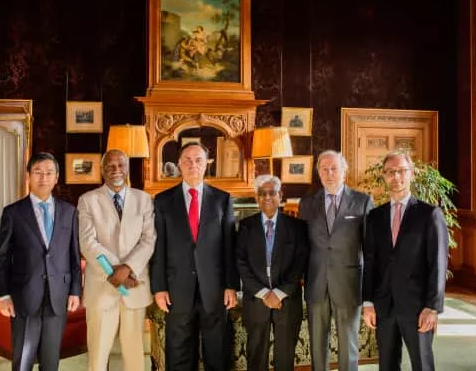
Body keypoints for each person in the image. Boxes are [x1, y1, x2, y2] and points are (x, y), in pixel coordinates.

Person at [150, 142, 239, 371]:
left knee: (217, 355)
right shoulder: (162, 201)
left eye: (198, 160)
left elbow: (229, 247)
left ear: (206, 164)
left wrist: (231, 285)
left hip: (215, 290)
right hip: (177, 290)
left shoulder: (222, 199)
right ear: (179, 164)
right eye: (187, 160)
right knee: (179, 356)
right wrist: (159, 288)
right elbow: (158, 248)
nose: (193, 165)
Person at [0, 152, 82, 371]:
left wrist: (75, 291)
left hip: (58, 296)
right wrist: (4, 295)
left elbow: (74, 255)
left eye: (49, 173)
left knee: (51, 361)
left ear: (56, 178)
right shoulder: (13, 213)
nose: (43, 178)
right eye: (38, 172)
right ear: (28, 176)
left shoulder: (69, 212)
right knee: (23, 361)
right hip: (24, 296)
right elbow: (2, 258)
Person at [362, 151, 448, 371]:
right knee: (387, 365)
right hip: (384, 306)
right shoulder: (375, 216)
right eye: (390, 172)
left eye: (401, 171)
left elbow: (438, 264)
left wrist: (432, 307)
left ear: (411, 174)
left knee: (422, 364)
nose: (396, 176)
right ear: (383, 175)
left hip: (418, 307)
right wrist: (368, 303)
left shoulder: (430, 214)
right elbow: (370, 262)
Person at [77, 149, 156, 371]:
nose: (116, 170)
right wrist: (116, 272)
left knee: (134, 357)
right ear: (102, 170)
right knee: (98, 357)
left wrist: (128, 268)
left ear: (128, 168)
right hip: (101, 287)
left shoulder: (144, 199)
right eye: (110, 166)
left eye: (121, 165)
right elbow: (87, 243)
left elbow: (149, 239)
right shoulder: (88, 200)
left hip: (134, 286)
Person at [299, 150, 374, 371]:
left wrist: (370, 291)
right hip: (316, 283)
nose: (329, 173)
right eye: (324, 169)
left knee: (348, 345)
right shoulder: (307, 203)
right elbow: (301, 246)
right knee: (317, 345)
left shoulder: (362, 201)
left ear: (344, 171)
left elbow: (370, 250)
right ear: (318, 173)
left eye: (334, 168)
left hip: (348, 284)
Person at [236, 175, 308, 371]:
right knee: (256, 356)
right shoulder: (245, 226)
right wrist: (264, 293)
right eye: (262, 193)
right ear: (256, 198)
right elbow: (241, 263)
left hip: (287, 301)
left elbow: (299, 264)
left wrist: (278, 293)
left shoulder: (297, 227)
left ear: (280, 195)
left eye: (272, 192)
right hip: (256, 300)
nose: (267, 197)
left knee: (285, 358)